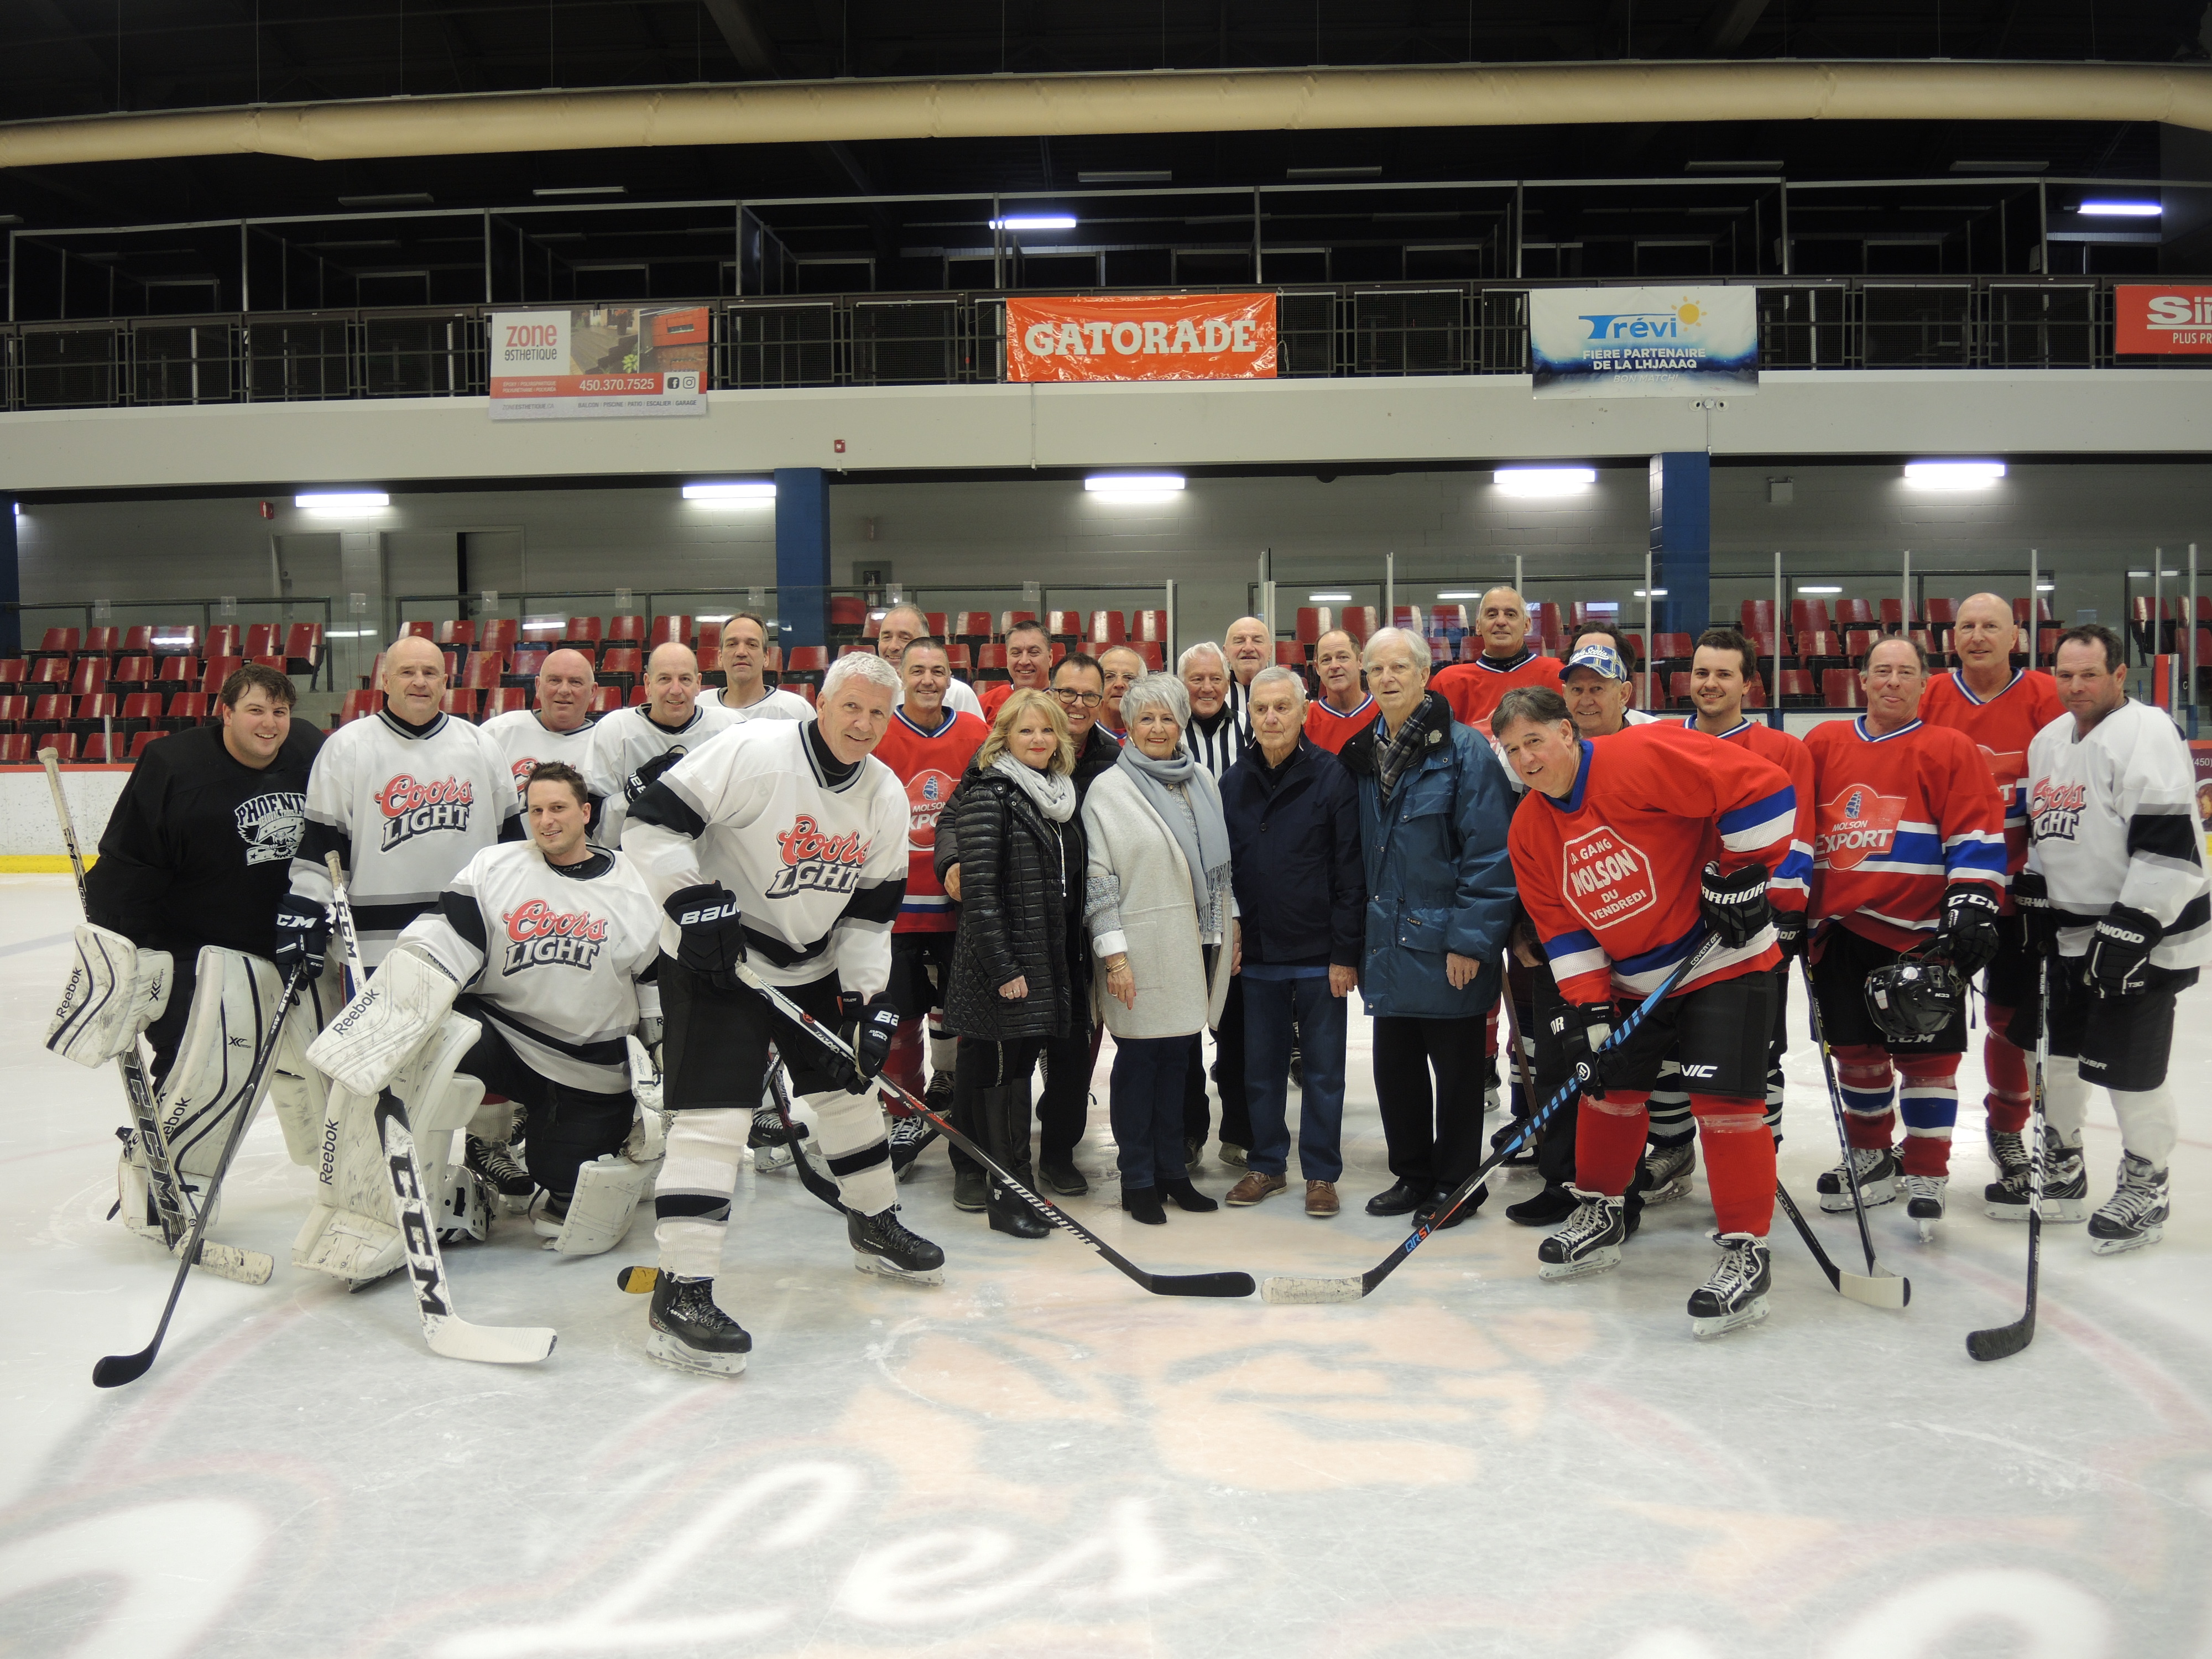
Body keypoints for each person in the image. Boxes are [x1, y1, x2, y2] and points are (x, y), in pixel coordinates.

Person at [620, 651, 935, 1376]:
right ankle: (682, 1290)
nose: (862, 724)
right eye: (850, 706)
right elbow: (649, 826)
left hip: (810, 965)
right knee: (716, 1122)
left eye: (877, 715)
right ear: (821, 704)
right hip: (713, 964)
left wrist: (867, 1002)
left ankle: (874, 1222)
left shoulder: (884, 796)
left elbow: (868, 916)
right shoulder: (754, 754)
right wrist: (688, 898)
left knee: (850, 1096)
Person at [1495, 686, 1797, 1337]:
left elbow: (1765, 789)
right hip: (1633, 979)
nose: (1526, 758)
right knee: (1610, 1088)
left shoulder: (1639, 754)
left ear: (1568, 733)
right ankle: (1600, 1211)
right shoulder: (1528, 827)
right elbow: (1563, 931)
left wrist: (1739, 869)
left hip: (1719, 960)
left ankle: (1747, 1249)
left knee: (1724, 1104)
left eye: (1535, 741)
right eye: (1513, 749)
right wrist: (1593, 1014)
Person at [376, 761, 664, 1251]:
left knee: (559, 1180)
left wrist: (660, 1058)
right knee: (429, 1045)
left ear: (586, 813)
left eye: (558, 808)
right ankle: (419, 1180)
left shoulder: (634, 886)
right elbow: (447, 935)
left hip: (589, 1063)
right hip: (504, 1035)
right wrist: (405, 983)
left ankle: (595, 1135)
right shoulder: (495, 866)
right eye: (536, 810)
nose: (547, 820)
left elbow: (655, 983)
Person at [2000, 624, 2210, 1253]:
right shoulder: (2046, 741)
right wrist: (2034, 885)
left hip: (2144, 934)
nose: (2074, 686)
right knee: (2054, 1057)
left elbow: (2171, 847)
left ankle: (2147, 1181)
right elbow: (2048, 833)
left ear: (2119, 676)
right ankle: (2062, 1167)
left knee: (2128, 1068)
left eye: (2088, 674)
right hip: (2070, 933)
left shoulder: (2146, 734)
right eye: (2064, 674)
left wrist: (2136, 923)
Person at [1803, 635, 2008, 1237]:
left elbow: (1975, 827)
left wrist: (1972, 899)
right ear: (1862, 681)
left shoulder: (1949, 747)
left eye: (1905, 672)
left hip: (1919, 935)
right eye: (1881, 671)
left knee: (1928, 1059)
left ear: (1925, 683)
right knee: (1856, 1057)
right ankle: (1871, 1157)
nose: (1891, 681)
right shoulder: (1822, 743)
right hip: (1838, 930)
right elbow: (1795, 821)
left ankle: (1925, 1170)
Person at [1335, 626, 1516, 1228]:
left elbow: (1489, 854)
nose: (1387, 679)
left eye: (1399, 669)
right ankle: (1412, 1177)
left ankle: (1458, 1184)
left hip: (1446, 948)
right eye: (1376, 670)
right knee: (1396, 1074)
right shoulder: (1362, 756)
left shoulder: (1464, 753)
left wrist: (1470, 939)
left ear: (1422, 675)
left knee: (1460, 1077)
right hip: (1387, 944)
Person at [1636, 624, 1816, 1194]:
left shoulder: (1784, 750)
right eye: (1700, 672)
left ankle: (1755, 1166)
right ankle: (1671, 1152)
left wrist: (1782, 915)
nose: (1709, 684)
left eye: (1722, 674)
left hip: (1750, 932)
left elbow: (1798, 838)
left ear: (1748, 684)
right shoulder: (1660, 741)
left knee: (1753, 1055)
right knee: (1665, 1049)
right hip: (1674, 930)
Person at [935, 651, 1120, 1200]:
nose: (1078, 704)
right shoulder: (998, 765)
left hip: (1069, 932)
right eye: (1069, 693)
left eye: (1089, 695)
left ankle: (1057, 1154)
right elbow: (955, 815)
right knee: (988, 1052)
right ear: (1051, 691)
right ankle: (973, 1161)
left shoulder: (1111, 760)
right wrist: (953, 864)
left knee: (1067, 1047)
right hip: (1011, 929)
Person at [84, 662, 322, 1083]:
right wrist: (123, 954)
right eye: (255, 710)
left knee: (309, 1074)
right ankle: (171, 1143)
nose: (269, 724)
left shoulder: (307, 749)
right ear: (226, 712)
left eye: (280, 712)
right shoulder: (173, 766)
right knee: (194, 1073)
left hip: (287, 946)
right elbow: (131, 864)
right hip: (194, 954)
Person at [1916, 591, 2064, 1190]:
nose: (1977, 635)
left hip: (2020, 897)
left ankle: (2007, 1129)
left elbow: (2065, 790)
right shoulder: (1931, 696)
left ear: (2015, 638)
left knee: (2011, 1022)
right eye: (1966, 626)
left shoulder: (2045, 697)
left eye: (1990, 626)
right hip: (1944, 891)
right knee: (1920, 1020)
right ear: (1952, 637)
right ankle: (1917, 1145)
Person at [1082, 673, 1239, 1226]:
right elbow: (1097, 879)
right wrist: (1114, 956)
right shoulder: (1108, 790)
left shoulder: (1201, 780)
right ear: (1128, 724)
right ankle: (1138, 1178)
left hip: (1195, 945)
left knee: (1181, 1062)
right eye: (1145, 718)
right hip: (1137, 949)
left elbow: (1221, 869)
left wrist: (1231, 931)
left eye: (1167, 717)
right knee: (1140, 1062)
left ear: (1182, 723)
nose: (1156, 728)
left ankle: (1174, 1171)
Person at [285, 634, 518, 971]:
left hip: (468, 944)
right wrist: (310, 912)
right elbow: (323, 856)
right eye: (407, 672)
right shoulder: (346, 748)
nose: (420, 682)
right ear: (385, 681)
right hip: (372, 948)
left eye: (430, 673)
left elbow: (510, 852)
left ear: (445, 682)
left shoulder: (483, 747)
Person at [1220, 667, 1363, 1218]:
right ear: (1250, 715)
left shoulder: (1331, 778)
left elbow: (1350, 873)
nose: (1272, 718)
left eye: (1282, 707)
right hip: (1256, 956)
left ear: (1304, 710)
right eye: (1261, 709)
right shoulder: (1233, 783)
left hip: (1317, 955)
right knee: (1260, 1069)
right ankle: (1267, 1164)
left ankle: (1322, 1174)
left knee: (1325, 1071)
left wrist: (1344, 952)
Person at [871, 635, 988, 1170]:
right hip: (894, 906)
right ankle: (906, 1111)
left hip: (957, 905)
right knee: (897, 1014)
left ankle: (965, 1110)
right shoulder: (877, 730)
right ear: (901, 674)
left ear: (951, 676)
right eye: (917, 670)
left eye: (938, 671)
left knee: (962, 1014)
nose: (928, 681)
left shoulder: (974, 732)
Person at [586, 640, 738, 844]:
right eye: (665, 679)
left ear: (698, 684)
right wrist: (632, 797)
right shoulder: (614, 730)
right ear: (648, 684)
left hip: (713, 861)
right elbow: (593, 826)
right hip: (638, 862)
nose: (676, 690)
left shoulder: (731, 727)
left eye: (685, 679)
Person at [481, 646, 598, 809]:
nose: (564, 690)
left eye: (575, 682)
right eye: (555, 680)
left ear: (593, 692)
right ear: (538, 686)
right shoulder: (497, 732)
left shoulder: (604, 743)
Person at [1431, 587, 1564, 727]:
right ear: (1478, 626)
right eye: (1492, 615)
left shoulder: (1558, 673)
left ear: (1527, 625)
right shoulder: (1448, 682)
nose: (1501, 622)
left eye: (1511, 615)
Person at [877, 602, 986, 719]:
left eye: (905, 638)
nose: (893, 647)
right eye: (887, 637)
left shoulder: (958, 694)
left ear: (925, 642)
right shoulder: (865, 690)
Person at [699, 613, 811, 721]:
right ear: (720, 658)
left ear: (766, 658)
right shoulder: (698, 707)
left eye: (752, 645)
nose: (741, 652)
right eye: (732, 644)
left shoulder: (796, 710)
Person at [1178, 640, 1248, 778]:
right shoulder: (1170, 730)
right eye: (1197, 679)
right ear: (1181, 684)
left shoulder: (1250, 727)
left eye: (1216, 679)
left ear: (1227, 684)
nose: (1207, 688)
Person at [1303, 627, 1379, 754]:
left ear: (1360, 661)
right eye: (1326, 660)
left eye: (1343, 657)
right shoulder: (1305, 719)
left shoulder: (1384, 713)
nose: (1334, 666)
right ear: (1317, 668)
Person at [979, 618, 1054, 720]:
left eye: (1034, 652)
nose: (1024, 661)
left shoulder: (1065, 702)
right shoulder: (985, 703)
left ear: (1050, 658)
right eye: (1016, 653)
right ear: (1007, 658)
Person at [1223, 614, 1272, 728]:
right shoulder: (1213, 695)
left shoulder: (1294, 692)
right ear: (1226, 653)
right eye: (1239, 641)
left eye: (1257, 641)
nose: (1248, 648)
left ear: (1270, 651)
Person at [1097, 644, 1148, 740]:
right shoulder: (1083, 734)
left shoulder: (1154, 735)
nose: (1119, 684)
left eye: (1129, 678)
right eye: (1109, 677)